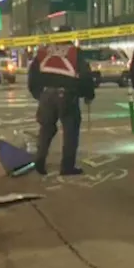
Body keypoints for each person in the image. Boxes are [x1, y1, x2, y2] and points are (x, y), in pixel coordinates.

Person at [28, 26, 96, 176]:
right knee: (70, 132)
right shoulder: (74, 53)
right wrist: (88, 94)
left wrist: (38, 94)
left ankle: (40, 160)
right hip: (67, 96)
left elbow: (32, 75)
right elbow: (85, 76)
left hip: (46, 94)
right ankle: (67, 167)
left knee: (46, 129)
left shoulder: (43, 52)